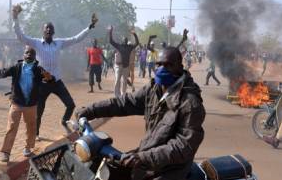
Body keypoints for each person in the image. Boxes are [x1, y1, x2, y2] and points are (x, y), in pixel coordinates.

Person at [76, 47, 206, 180]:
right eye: (159, 64)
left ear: (180, 66)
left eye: (168, 65)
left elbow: (182, 146)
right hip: (146, 157)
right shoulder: (154, 88)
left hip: (170, 169)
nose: (162, 69)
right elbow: (124, 103)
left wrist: (143, 157)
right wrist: (91, 110)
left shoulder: (190, 103)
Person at [12, 5, 98, 139]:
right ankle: (36, 134)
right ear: (43, 31)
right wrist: (15, 18)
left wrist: (89, 27)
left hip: (56, 81)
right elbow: (20, 36)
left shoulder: (59, 43)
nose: (48, 29)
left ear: (53, 32)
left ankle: (64, 121)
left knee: (70, 104)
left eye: (50, 28)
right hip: (42, 83)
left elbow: (76, 39)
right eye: (46, 27)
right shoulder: (36, 43)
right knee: (39, 111)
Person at [0, 46, 54, 162]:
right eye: (27, 53)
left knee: (31, 128)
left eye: (32, 54)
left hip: (31, 104)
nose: (29, 55)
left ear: (34, 57)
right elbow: (3, 73)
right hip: (17, 103)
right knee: (12, 127)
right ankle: (6, 152)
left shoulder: (38, 69)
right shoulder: (17, 67)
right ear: (23, 55)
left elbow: (50, 80)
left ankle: (28, 148)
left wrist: (48, 76)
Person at [109, 25, 139, 97]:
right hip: (118, 66)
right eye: (124, 40)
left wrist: (134, 34)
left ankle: (123, 94)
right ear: (123, 41)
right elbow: (111, 41)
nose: (125, 40)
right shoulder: (119, 46)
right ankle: (117, 95)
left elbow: (137, 43)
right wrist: (110, 31)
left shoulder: (129, 47)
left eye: (126, 40)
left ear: (127, 41)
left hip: (126, 66)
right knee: (117, 80)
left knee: (125, 81)